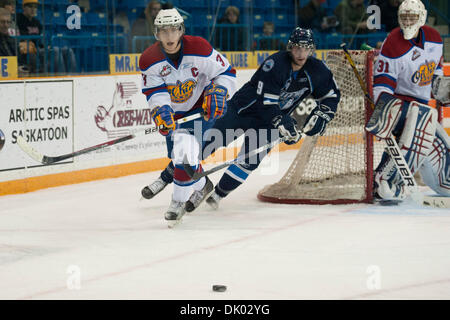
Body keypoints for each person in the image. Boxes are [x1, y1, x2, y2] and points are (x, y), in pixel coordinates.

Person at [142, 27, 341, 211]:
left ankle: (217, 195)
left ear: (311, 50)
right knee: (201, 145)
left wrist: (323, 113)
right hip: (242, 110)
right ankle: (165, 178)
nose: (300, 53)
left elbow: (332, 95)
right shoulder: (276, 64)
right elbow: (266, 104)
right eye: (297, 48)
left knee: (249, 161)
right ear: (291, 47)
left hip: (269, 122)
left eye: (305, 49)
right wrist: (284, 123)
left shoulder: (318, 71)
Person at [139, 8, 236, 225]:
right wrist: (161, 111)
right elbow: (154, 92)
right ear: (156, 33)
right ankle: (203, 186)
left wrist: (220, 90)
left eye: (173, 30)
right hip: (175, 114)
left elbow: (226, 72)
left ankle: (177, 202)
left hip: (202, 108)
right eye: (164, 31)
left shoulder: (199, 48)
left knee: (183, 152)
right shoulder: (149, 60)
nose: (170, 36)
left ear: (181, 30)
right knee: (184, 157)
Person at [368, 0, 450, 201]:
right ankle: (384, 178)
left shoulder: (435, 38)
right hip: (398, 106)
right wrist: (384, 111)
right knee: (423, 117)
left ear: (421, 17)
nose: (407, 21)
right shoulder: (393, 42)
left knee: (443, 155)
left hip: (422, 106)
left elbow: (435, 74)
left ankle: (443, 181)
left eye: (412, 17)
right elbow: (382, 85)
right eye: (403, 17)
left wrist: (441, 90)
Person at [17, 0, 77, 74]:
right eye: (30, 6)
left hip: (39, 48)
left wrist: (45, 46)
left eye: (35, 7)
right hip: (30, 50)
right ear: (23, 7)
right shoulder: (18, 19)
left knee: (68, 50)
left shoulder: (37, 22)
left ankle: (73, 75)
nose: (33, 9)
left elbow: (40, 39)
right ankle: (61, 77)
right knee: (55, 50)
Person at [0, 8, 36, 74]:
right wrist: (15, 70)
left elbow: (20, 61)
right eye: (2, 22)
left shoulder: (12, 41)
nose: (6, 25)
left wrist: (23, 68)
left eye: (8, 22)